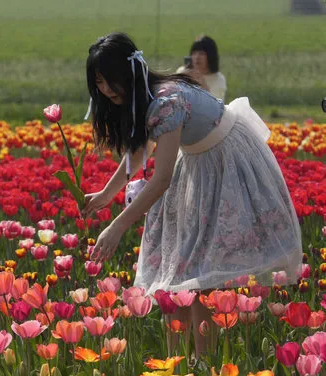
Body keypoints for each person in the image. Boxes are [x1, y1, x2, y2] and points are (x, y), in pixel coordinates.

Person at [81, 32, 302, 356]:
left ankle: (203, 360)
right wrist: (104, 194)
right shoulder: (147, 97)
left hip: (226, 161)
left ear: (128, 72)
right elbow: (139, 153)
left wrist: (117, 227)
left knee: (200, 270)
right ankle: (177, 362)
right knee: (183, 268)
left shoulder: (166, 102)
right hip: (198, 162)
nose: (104, 89)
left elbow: (161, 180)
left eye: (108, 79)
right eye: (98, 82)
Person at [176, 35, 227, 101]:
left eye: (202, 54)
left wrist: (203, 84)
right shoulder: (182, 71)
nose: (197, 57)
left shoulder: (218, 79)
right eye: (194, 53)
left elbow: (217, 106)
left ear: (211, 56)